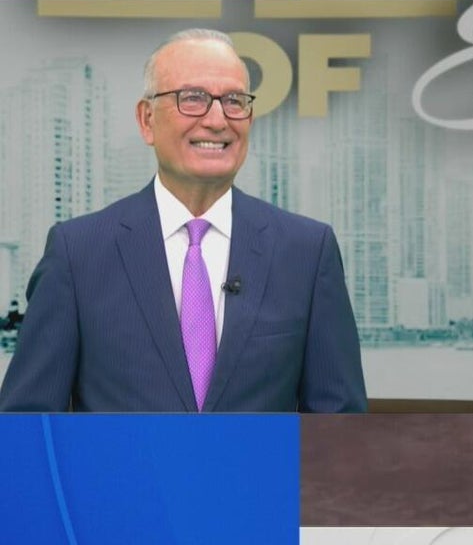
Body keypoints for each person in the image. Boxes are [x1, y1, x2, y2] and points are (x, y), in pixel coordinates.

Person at [0, 29, 368, 413]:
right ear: (147, 120)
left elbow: (338, 426)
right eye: (193, 98)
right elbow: (28, 425)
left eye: (234, 101)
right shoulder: (77, 253)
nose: (217, 120)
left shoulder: (307, 252)